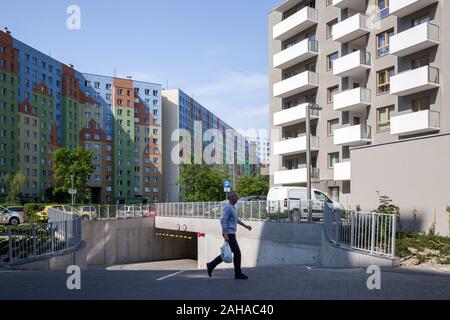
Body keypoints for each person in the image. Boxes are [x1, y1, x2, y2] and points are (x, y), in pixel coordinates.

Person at [206, 191, 252, 280]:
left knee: (227, 253)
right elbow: (223, 220)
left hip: (231, 233)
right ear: (231, 197)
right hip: (229, 233)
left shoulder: (233, 208)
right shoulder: (228, 208)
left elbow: (236, 220)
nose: (237, 198)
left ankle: (211, 265)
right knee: (237, 253)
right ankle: (238, 274)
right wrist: (226, 234)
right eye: (236, 196)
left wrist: (246, 226)